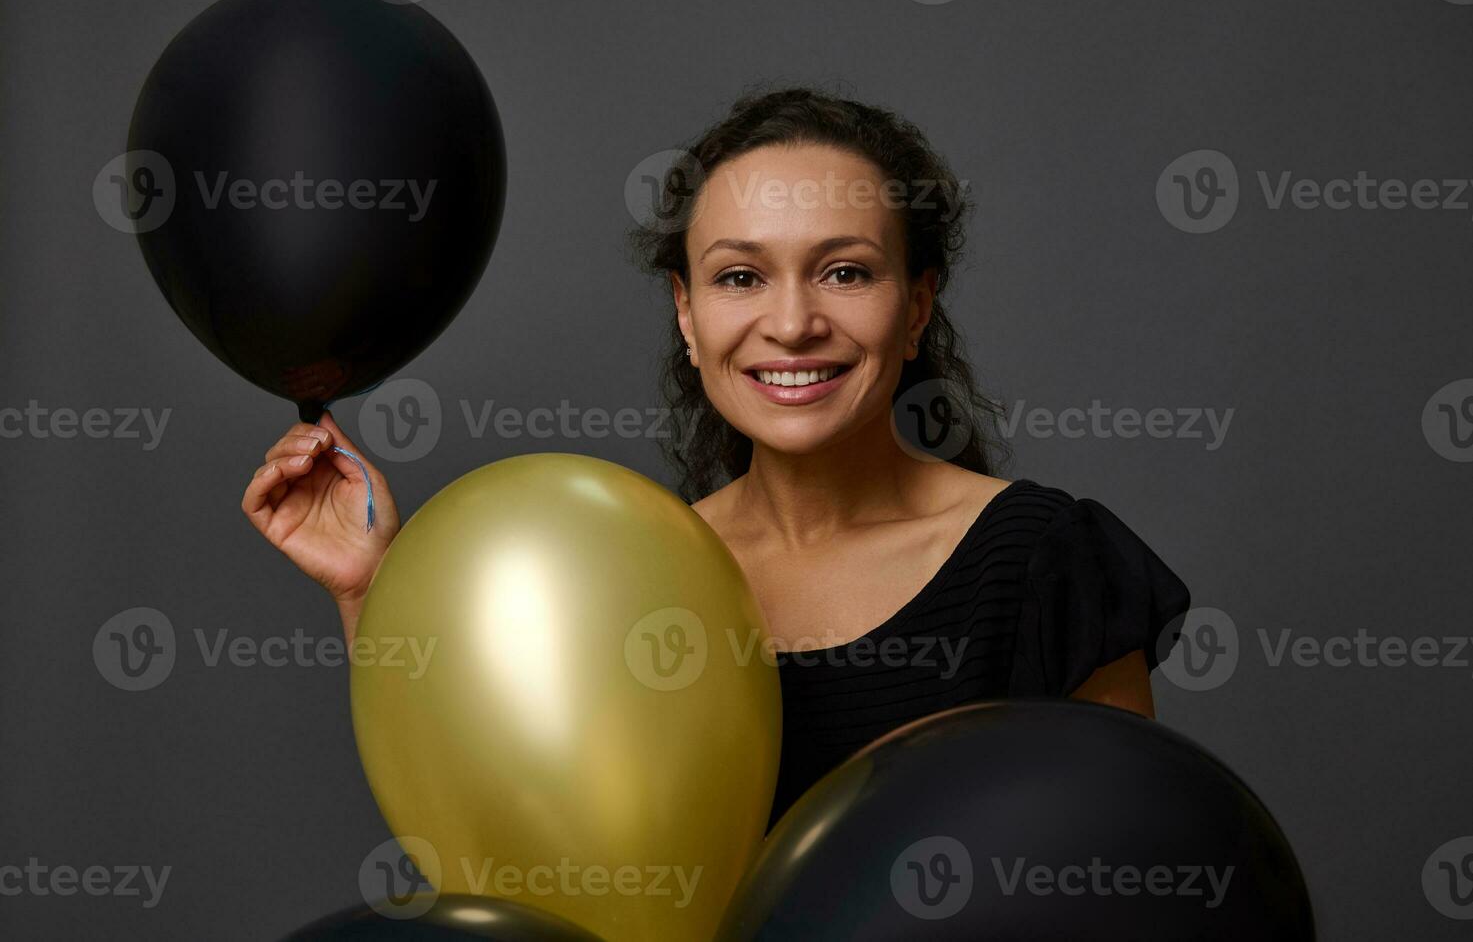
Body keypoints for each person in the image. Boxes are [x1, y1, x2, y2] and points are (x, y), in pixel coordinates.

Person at [242, 87, 1190, 833]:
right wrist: (369, 594)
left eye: (846, 271)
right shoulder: (629, 580)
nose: (790, 323)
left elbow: (1125, 880)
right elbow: (490, 826)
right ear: (687, 316)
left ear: (915, 305)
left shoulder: (1049, 562)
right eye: (740, 277)